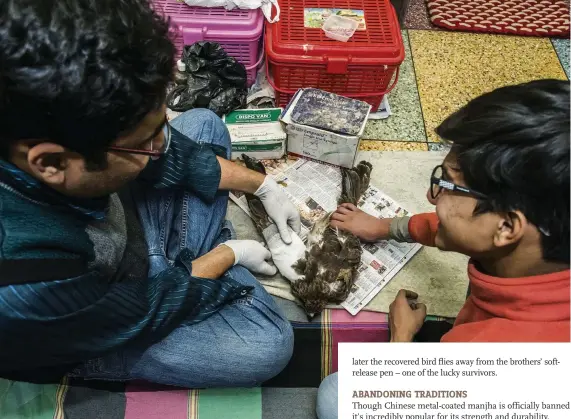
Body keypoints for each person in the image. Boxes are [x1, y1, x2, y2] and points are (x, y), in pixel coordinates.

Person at [0, 0, 299, 386]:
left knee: (205, 125)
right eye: (146, 142)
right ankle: (202, 253)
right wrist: (230, 255)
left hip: (131, 240)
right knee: (265, 345)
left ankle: (189, 257)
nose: (163, 144)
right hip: (100, 319)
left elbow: (169, 149)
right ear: (51, 163)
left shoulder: (44, 113)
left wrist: (263, 186)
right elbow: (144, 309)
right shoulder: (25, 282)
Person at [316, 79, 570, 419]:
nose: (432, 197)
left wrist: (401, 341)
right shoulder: (542, 241)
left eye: (448, 185)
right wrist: (383, 227)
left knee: (336, 394)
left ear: (507, 228)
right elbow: (450, 228)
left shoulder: (486, 356)